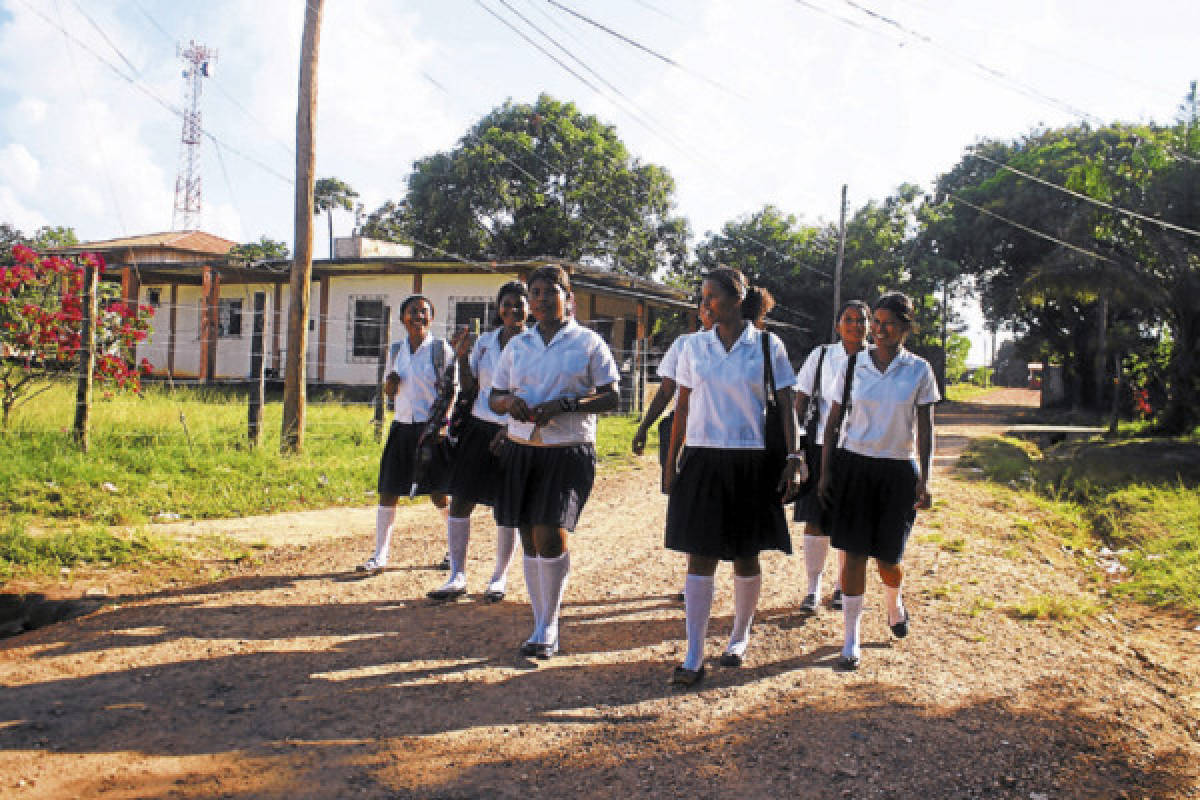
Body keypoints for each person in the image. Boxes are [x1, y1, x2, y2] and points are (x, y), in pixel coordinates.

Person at [663, 267, 803, 687]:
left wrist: (795, 456)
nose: (706, 303)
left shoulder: (765, 345)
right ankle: (693, 653)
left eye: (713, 296)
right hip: (703, 459)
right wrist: (670, 462)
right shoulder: (694, 347)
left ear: (738, 297)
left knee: (746, 553)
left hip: (750, 460)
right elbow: (682, 407)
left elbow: (785, 402)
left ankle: (739, 637)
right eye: (703, 296)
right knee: (699, 555)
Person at [489, 265, 620, 659]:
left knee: (550, 533)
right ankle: (539, 620)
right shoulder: (518, 345)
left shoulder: (588, 343)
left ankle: (550, 624)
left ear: (569, 299)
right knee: (529, 535)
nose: (542, 299)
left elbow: (612, 395)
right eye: (536, 293)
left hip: (567, 450)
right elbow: (495, 396)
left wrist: (566, 405)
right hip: (521, 446)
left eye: (551, 291)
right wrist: (511, 403)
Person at [818, 291, 938, 671]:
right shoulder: (853, 366)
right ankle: (850, 639)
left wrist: (926, 479)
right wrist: (825, 472)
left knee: (888, 559)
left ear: (906, 328)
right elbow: (833, 421)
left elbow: (926, 427)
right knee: (852, 554)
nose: (879, 329)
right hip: (855, 465)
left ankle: (893, 603)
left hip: (898, 471)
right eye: (877, 322)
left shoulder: (919, 370)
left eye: (889, 323)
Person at [427, 281, 530, 601]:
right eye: (506, 303)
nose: (512, 309)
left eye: (519, 303)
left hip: (514, 431)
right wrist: (461, 357)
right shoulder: (485, 342)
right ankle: (456, 575)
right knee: (461, 500)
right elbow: (471, 387)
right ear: (498, 307)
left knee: (506, 508)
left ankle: (499, 577)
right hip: (479, 426)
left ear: (529, 308)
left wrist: (512, 427)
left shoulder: (534, 344)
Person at [359, 295, 469, 574]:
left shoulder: (440, 349)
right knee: (388, 491)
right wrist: (390, 386)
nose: (418, 317)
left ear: (431, 318)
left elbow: (451, 389)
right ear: (402, 318)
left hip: (431, 429)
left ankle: (453, 551)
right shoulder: (397, 351)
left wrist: (442, 425)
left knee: (438, 493)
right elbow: (389, 390)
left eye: (424, 312)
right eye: (412, 312)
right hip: (402, 427)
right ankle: (379, 556)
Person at [793, 300, 870, 615]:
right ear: (838, 324)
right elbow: (800, 400)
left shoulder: (876, 360)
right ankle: (813, 589)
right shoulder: (822, 356)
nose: (855, 325)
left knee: (849, 521)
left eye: (861, 319)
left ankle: (842, 587)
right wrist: (796, 445)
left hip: (861, 449)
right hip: (820, 444)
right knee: (815, 520)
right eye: (848, 319)